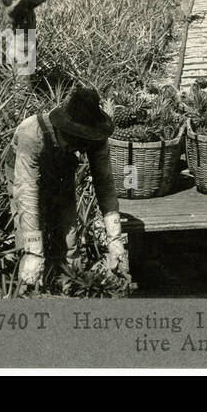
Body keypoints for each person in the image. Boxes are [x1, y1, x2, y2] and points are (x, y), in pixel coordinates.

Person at [8, 87, 125, 292]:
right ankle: (29, 289)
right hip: (23, 175)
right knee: (27, 236)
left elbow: (105, 183)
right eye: (75, 141)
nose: (80, 151)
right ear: (62, 129)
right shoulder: (31, 134)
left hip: (61, 173)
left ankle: (70, 286)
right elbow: (26, 193)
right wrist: (34, 252)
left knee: (68, 233)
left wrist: (114, 238)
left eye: (84, 143)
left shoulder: (95, 137)